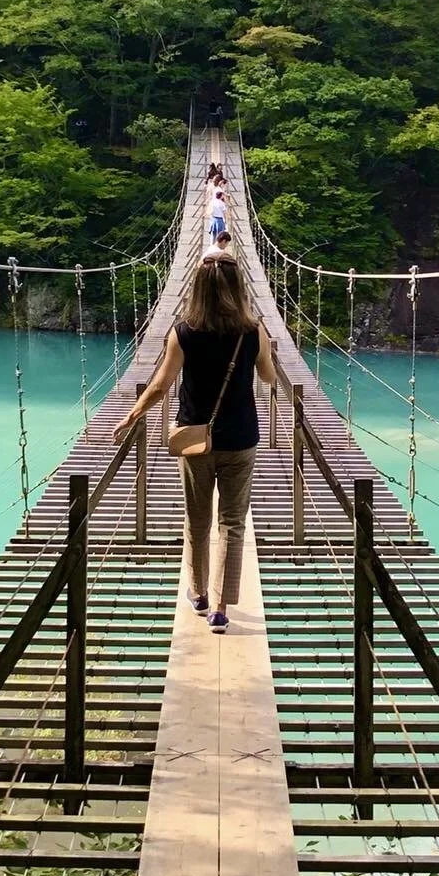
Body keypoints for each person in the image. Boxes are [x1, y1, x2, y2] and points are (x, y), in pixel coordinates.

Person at [113, 256, 276, 631]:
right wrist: (261, 357)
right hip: (240, 438)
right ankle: (220, 608)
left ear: (196, 288)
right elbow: (268, 377)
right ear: (240, 288)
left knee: (198, 520)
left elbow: (160, 385)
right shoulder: (254, 331)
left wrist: (131, 415)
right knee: (232, 523)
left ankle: (199, 592)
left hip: (193, 439)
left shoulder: (183, 331)